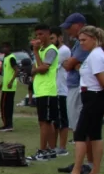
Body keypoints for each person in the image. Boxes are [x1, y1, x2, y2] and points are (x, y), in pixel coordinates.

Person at [59, 26, 104, 174]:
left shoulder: (96, 56)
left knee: (80, 133)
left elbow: (103, 80)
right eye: (79, 40)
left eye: (84, 40)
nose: (81, 44)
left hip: (94, 96)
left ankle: (76, 171)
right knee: (94, 134)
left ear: (95, 39)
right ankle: (94, 172)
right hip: (91, 95)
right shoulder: (93, 55)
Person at [27, 25, 60, 161]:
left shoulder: (51, 50)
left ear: (48, 34)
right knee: (46, 121)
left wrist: (35, 53)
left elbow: (43, 68)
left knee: (44, 122)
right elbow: (37, 67)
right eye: (37, 35)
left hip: (47, 89)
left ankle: (43, 150)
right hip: (41, 90)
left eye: (41, 34)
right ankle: (50, 150)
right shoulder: (42, 49)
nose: (39, 37)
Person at [60, 13, 88, 133]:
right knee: (73, 119)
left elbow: (69, 64)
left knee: (77, 121)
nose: (67, 30)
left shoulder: (84, 43)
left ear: (79, 25)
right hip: (74, 85)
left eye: (69, 27)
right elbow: (68, 64)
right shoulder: (78, 43)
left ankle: (80, 142)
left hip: (78, 85)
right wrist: (70, 64)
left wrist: (71, 64)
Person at [52, 30, 71, 155]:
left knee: (62, 121)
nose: (51, 41)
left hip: (62, 90)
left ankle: (62, 147)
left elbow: (46, 64)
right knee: (54, 121)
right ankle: (53, 146)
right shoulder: (54, 51)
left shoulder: (63, 51)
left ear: (60, 37)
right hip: (55, 90)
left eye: (53, 38)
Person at [0, 42, 18, 132]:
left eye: (5, 47)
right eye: (2, 47)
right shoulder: (5, 58)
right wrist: (2, 83)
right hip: (5, 86)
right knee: (5, 106)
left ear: (9, 48)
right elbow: (7, 73)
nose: (3, 49)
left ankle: (8, 125)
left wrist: (11, 82)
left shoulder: (11, 58)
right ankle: (7, 124)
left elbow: (16, 70)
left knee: (6, 106)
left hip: (9, 87)